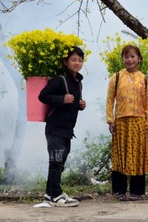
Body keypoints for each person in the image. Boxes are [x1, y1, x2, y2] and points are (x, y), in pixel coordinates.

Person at [38, 46, 87, 207]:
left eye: (80, 60)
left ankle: (49, 193)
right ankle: (57, 195)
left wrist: (80, 105)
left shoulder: (78, 82)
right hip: (55, 128)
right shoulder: (60, 80)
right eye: (73, 59)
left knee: (59, 161)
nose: (77, 63)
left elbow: (71, 102)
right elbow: (43, 96)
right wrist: (61, 99)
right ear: (65, 62)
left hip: (67, 130)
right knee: (56, 161)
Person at [105, 44, 148, 201]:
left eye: (132, 56)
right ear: (123, 59)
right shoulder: (117, 77)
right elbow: (109, 100)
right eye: (126, 56)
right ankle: (119, 191)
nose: (129, 59)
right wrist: (110, 120)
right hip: (121, 122)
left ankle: (137, 191)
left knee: (138, 155)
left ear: (139, 59)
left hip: (139, 122)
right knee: (120, 155)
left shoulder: (144, 79)